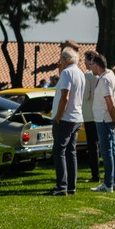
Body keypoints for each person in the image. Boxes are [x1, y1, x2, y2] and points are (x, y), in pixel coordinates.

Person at [49, 47, 85, 196]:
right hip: (77, 117)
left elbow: (65, 96)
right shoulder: (80, 73)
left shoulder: (66, 73)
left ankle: (61, 186)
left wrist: (58, 115)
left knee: (59, 152)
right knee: (71, 152)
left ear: (64, 60)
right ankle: (71, 186)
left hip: (65, 117)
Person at [90, 53, 115, 193]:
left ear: (97, 65)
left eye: (92, 65)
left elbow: (110, 103)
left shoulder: (104, 80)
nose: (90, 67)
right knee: (112, 151)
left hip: (104, 119)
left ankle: (108, 184)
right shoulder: (111, 76)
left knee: (107, 152)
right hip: (106, 118)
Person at [81, 50, 100, 183]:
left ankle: (95, 175)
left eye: (85, 60)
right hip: (98, 113)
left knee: (92, 146)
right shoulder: (100, 75)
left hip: (89, 114)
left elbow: (85, 95)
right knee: (98, 145)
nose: (84, 62)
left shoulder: (87, 75)